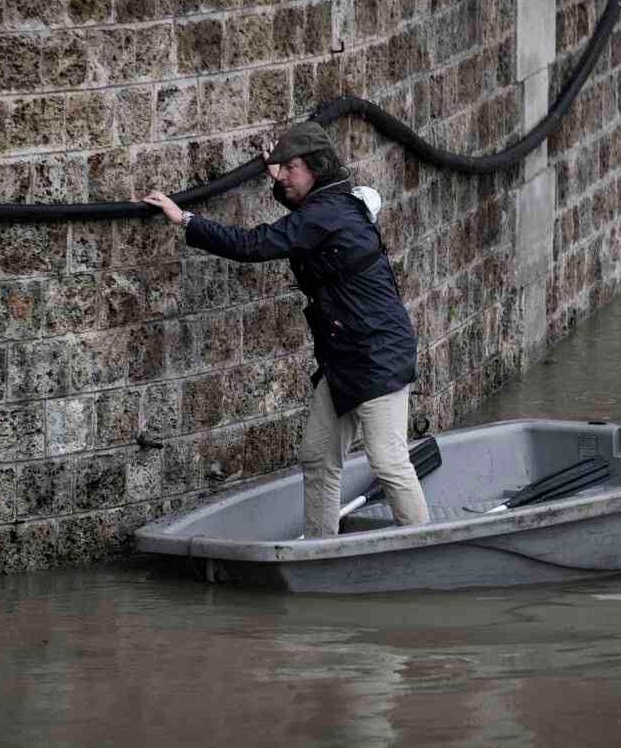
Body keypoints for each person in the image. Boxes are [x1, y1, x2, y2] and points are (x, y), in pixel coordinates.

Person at [141, 121, 431, 538]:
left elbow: (254, 245)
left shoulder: (326, 214)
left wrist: (185, 219)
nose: (284, 176)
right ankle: (319, 545)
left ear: (316, 168)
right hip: (344, 355)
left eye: (291, 168)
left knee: (388, 460)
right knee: (317, 455)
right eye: (282, 169)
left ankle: (422, 544)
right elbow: (301, 217)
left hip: (378, 352)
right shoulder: (331, 202)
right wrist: (279, 182)